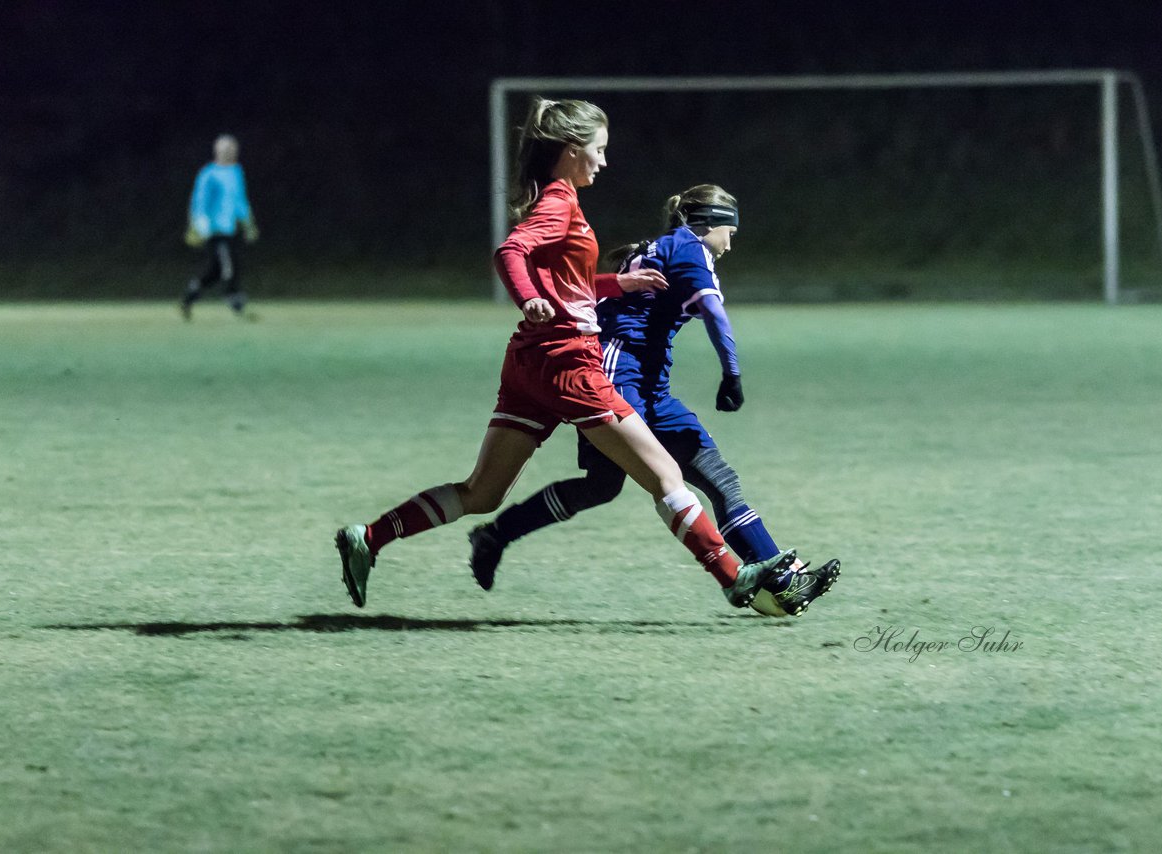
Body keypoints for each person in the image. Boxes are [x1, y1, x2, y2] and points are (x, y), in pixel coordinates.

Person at [335, 98, 815, 614]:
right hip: (568, 361)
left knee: (481, 492)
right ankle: (733, 578)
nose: (604, 162)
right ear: (570, 151)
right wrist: (528, 298)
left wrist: (617, 282)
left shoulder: (557, 199)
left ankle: (370, 537)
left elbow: (571, 281)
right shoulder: (559, 201)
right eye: (599, 150)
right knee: (666, 479)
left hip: (528, 363)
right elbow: (510, 252)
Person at [467, 184, 840, 617]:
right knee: (620, 485)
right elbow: (714, 314)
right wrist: (732, 372)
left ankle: (783, 577)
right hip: (615, 372)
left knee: (705, 477)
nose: (731, 243)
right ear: (709, 224)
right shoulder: (689, 246)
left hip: (649, 383)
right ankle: (497, 534)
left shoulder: (667, 246)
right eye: (730, 231)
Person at [180, 134, 259, 320]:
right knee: (229, 264)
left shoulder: (236, 172)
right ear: (217, 151)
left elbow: (240, 200)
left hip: (229, 229)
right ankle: (235, 299)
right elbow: (199, 202)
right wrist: (197, 225)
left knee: (214, 271)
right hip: (213, 230)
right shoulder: (209, 173)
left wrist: (248, 223)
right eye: (225, 149)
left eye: (232, 149)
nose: (229, 152)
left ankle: (189, 296)